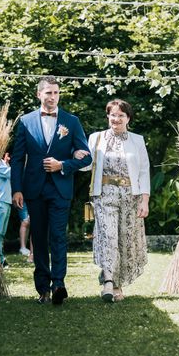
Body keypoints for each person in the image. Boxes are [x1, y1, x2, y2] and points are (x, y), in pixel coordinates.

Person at [11, 76, 92, 305]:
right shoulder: (25, 122)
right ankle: (42, 289)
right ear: (39, 95)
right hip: (34, 189)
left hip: (60, 188)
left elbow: (87, 156)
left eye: (56, 93)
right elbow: (17, 159)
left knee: (58, 236)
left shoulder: (72, 121)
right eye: (48, 93)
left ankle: (58, 284)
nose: (52, 97)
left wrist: (63, 165)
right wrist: (16, 189)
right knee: (38, 236)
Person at [83, 99, 150, 302]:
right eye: (113, 114)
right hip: (104, 194)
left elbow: (144, 171)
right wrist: (77, 155)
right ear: (108, 117)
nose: (116, 119)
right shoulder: (96, 138)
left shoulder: (137, 140)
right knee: (108, 236)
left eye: (121, 115)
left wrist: (144, 200)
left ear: (128, 118)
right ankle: (109, 283)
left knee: (125, 240)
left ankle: (118, 284)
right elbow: (85, 166)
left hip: (131, 196)